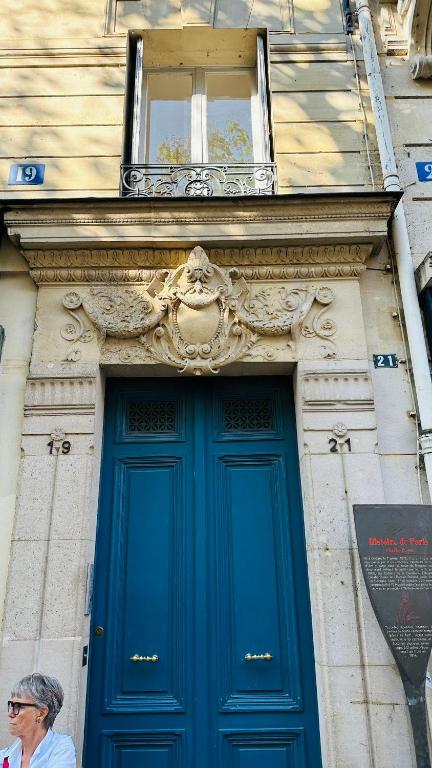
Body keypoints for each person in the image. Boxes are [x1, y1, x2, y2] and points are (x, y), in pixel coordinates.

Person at [0, 673, 76, 768]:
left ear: (41, 713)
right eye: (11, 705)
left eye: (18, 706)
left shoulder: (61, 747)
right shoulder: (5, 756)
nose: (10, 713)